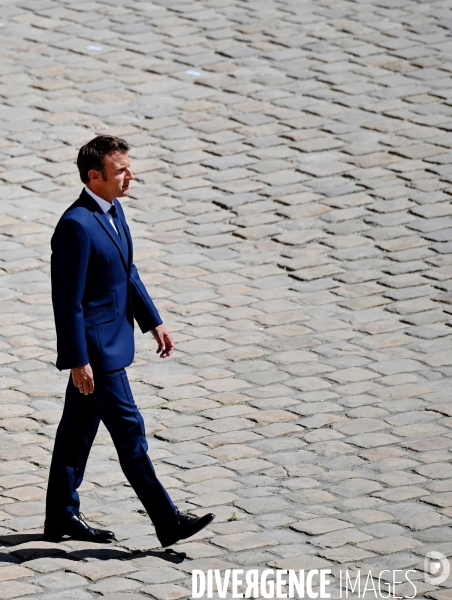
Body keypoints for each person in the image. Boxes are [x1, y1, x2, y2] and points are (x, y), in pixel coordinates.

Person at [44, 135, 214, 547]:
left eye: (128, 167)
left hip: (113, 341)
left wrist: (153, 321)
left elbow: (127, 272)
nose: (129, 176)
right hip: (98, 353)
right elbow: (67, 302)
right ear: (94, 176)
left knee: (76, 433)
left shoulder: (112, 210)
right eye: (120, 171)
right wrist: (77, 360)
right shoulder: (75, 225)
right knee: (130, 433)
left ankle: (61, 515)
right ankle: (167, 520)